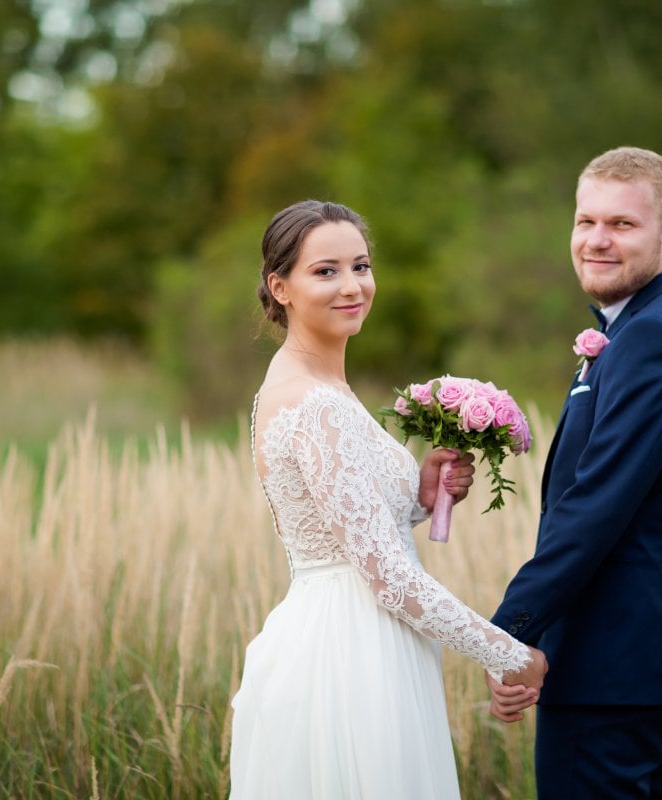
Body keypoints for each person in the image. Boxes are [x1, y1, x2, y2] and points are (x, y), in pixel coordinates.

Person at [229, 199, 547, 799]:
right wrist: (508, 653)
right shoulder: (314, 402)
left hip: (356, 633)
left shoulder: (319, 385)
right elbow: (390, 579)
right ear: (281, 286)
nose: (352, 286)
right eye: (325, 271)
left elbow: (349, 521)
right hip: (350, 654)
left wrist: (418, 497)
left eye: (361, 266)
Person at [485, 147, 662, 798]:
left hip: (618, 664)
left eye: (622, 225)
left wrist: (509, 633)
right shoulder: (637, 332)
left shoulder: (655, 337)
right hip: (650, 662)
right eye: (585, 221)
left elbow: (594, 506)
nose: (597, 240)